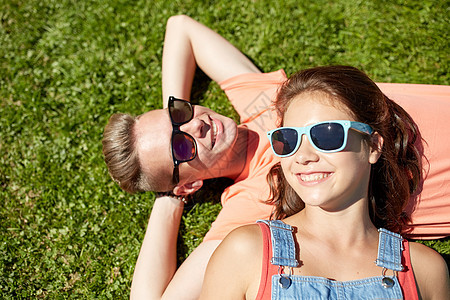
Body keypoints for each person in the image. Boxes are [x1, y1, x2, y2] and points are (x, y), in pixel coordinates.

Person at [101, 15, 450, 299]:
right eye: (181, 148)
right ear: (188, 185)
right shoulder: (248, 206)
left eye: (181, 114)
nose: (198, 128)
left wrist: (173, 122)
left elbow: (180, 28)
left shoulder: (258, 99)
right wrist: (168, 200)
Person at [199, 65, 450, 300]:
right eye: (288, 139)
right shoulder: (245, 251)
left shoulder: (424, 270)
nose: (303, 156)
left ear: (373, 146)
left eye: (327, 135)